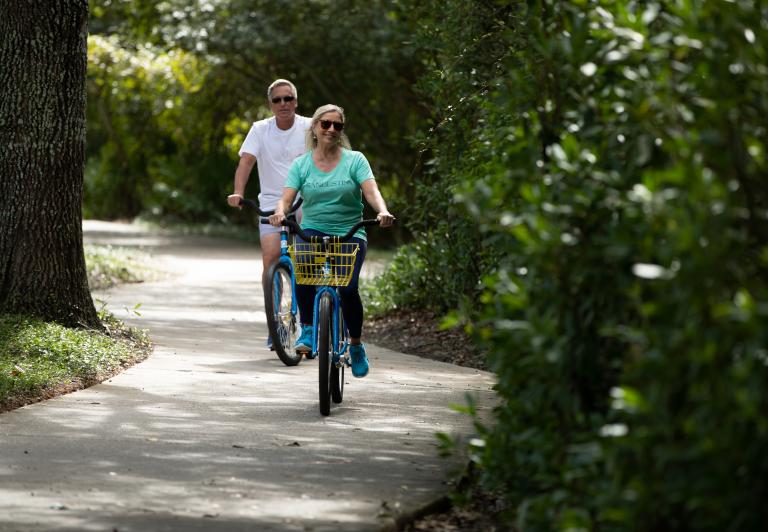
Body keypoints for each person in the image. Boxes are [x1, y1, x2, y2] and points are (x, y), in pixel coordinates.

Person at [269, 104, 395, 378]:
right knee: (303, 270)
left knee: (348, 289)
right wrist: (280, 212)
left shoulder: (355, 160)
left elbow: (371, 190)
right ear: (314, 127)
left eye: (337, 125)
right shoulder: (301, 164)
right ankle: (310, 328)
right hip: (313, 229)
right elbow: (287, 198)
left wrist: (382, 210)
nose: (331, 129)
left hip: (350, 232)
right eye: (325, 124)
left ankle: (356, 345)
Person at [227, 79, 311, 348]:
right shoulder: (260, 130)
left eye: (288, 99)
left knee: (307, 263)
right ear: (270, 104)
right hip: (272, 203)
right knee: (271, 259)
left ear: (296, 102)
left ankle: (310, 326)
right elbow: (246, 162)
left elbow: (328, 155)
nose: (283, 104)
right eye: (277, 100)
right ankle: (275, 325)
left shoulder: (309, 127)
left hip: (306, 201)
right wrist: (238, 192)